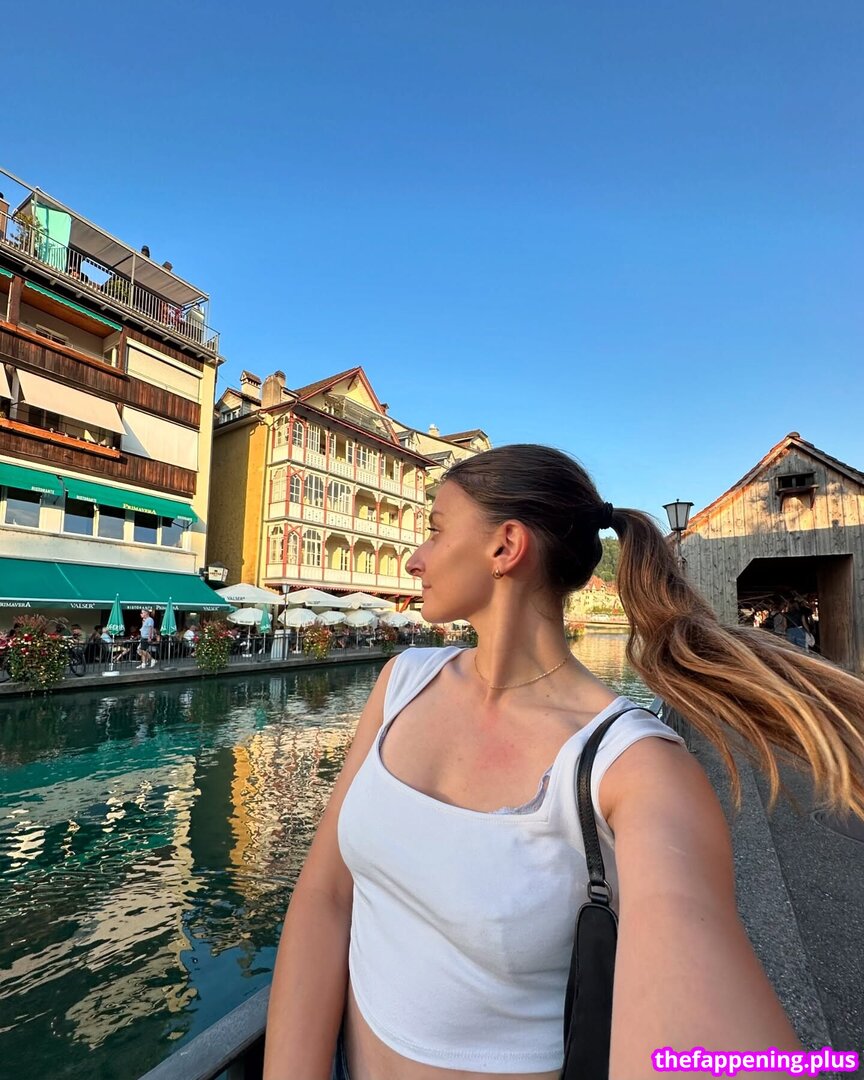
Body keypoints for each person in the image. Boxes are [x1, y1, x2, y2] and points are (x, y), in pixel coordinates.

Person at [262, 445, 864, 1080]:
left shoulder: (634, 766)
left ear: (505, 547)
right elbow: (325, 895)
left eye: (435, 530)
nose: (416, 558)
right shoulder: (402, 681)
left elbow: (695, 969)